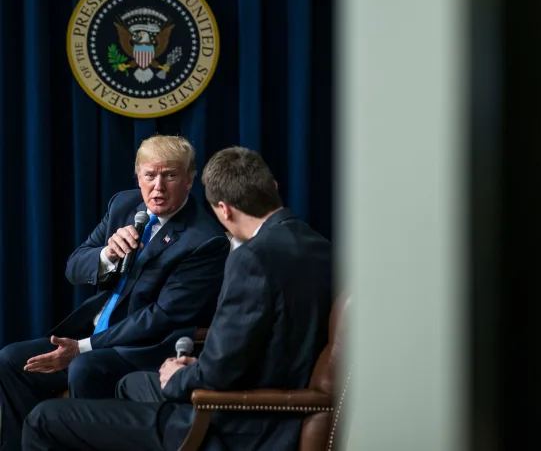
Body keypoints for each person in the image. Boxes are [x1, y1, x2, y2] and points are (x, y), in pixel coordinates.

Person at [22, 146, 334, 451]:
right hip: (267, 399)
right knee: (128, 385)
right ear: (274, 188)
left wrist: (180, 375)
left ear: (223, 209)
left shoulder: (250, 258)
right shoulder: (323, 249)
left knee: (43, 419)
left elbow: (218, 372)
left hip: (230, 420)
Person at [0, 134, 229, 451]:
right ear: (138, 176)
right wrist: (106, 255)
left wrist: (82, 348)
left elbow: (161, 317)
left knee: (84, 367)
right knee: (11, 360)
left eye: (170, 176)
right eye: (149, 175)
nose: (158, 187)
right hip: (94, 334)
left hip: (143, 348)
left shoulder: (204, 240)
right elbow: (74, 267)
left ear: (189, 180)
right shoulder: (123, 205)